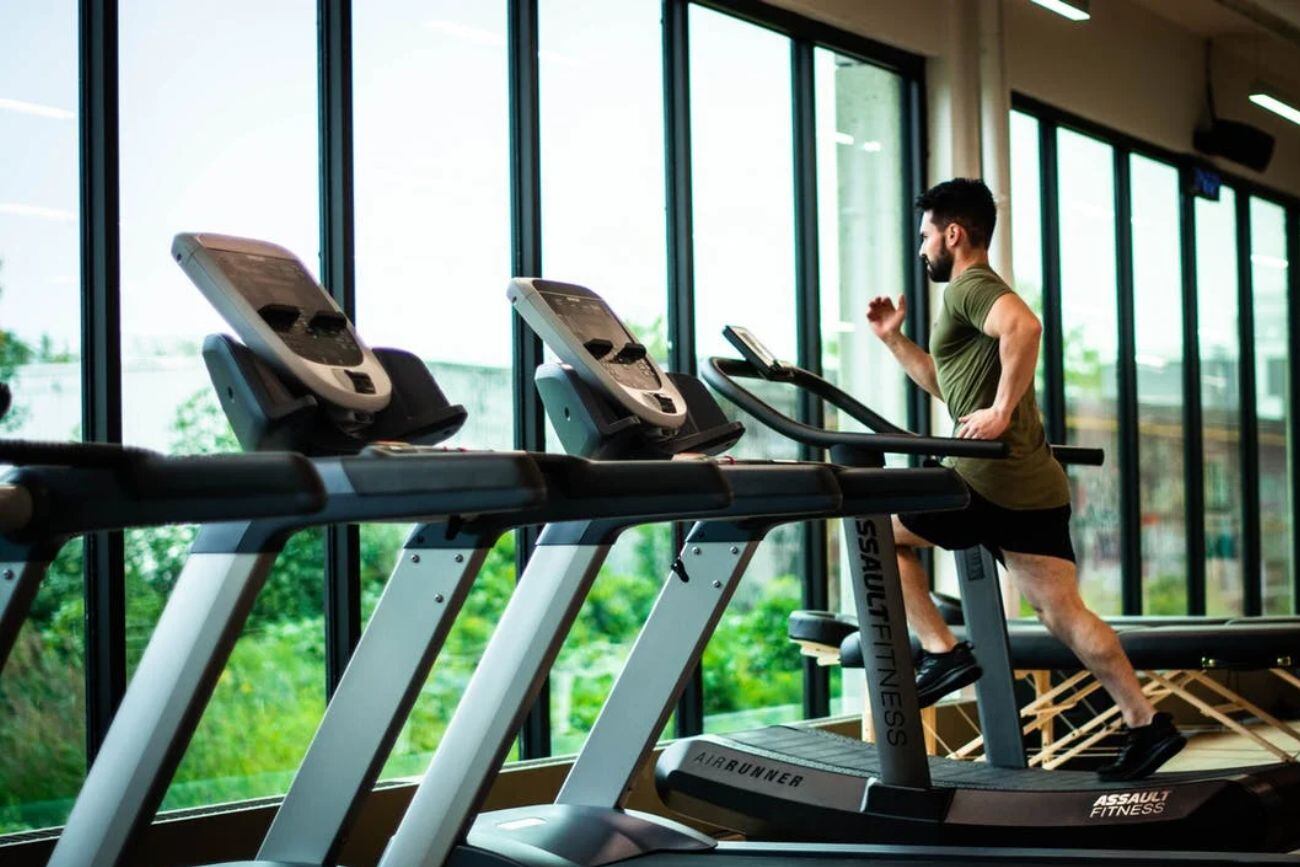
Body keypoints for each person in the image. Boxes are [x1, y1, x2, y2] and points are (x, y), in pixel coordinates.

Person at [865, 177, 1185, 781]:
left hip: (983, 479)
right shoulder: (970, 298)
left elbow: (1026, 328)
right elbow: (948, 384)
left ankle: (942, 653)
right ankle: (1146, 723)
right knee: (1064, 613)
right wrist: (894, 340)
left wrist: (1002, 412)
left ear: (952, 234)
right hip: (1033, 484)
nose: (922, 248)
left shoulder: (972, 288)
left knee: (874, 530)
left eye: (925, 235)